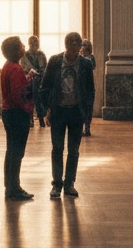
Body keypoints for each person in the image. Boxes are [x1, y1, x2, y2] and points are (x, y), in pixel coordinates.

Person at [36, 31, 95, 199]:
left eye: (77, 46)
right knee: (57, 148)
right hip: (58, 111)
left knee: (74, 150)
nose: (74, 50)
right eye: (71, 46)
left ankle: (69, 183)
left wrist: (87, 114)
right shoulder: (55, 61)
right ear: (66, 46)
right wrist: (47, 109)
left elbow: (90, 90)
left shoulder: (85, 64)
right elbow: (45, 86)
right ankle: (57, 185)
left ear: (80, 47)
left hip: (77, 111)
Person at [0, 36, 34, 201]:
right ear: (16, 50)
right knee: (17, 153)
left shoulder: (8, 66)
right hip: (17, 114)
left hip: (8, 112)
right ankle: (15, 188)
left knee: (11, 151)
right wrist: (29, 107)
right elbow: (19, 95)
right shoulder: (16, 69)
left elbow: (16, 88)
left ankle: (10, 186)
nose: (24, 46)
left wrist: (27, 79)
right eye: (21, 45)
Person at [21, 36, 47, 128]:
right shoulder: (24, 56)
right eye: (32, 43)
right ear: (29, 44)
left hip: (39, 80)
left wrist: (39, 74)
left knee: (38, 99)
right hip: (28, 79)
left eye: (36, 43)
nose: (35, 45)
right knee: (29, 98)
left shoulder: (41, 55)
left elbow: (44, 68)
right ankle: (30, 118)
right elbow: (23, 69)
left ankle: (41, 118)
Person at [79, 39, 96, 137]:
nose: (83, 47)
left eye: (85, 45)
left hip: (88, 85)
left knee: (88, 108)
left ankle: (87, 128)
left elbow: (92, 66)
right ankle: (80, 129)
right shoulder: (79, 58)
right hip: (81, 85)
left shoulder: (91, 58)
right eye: (82, 45)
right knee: (81, 108)